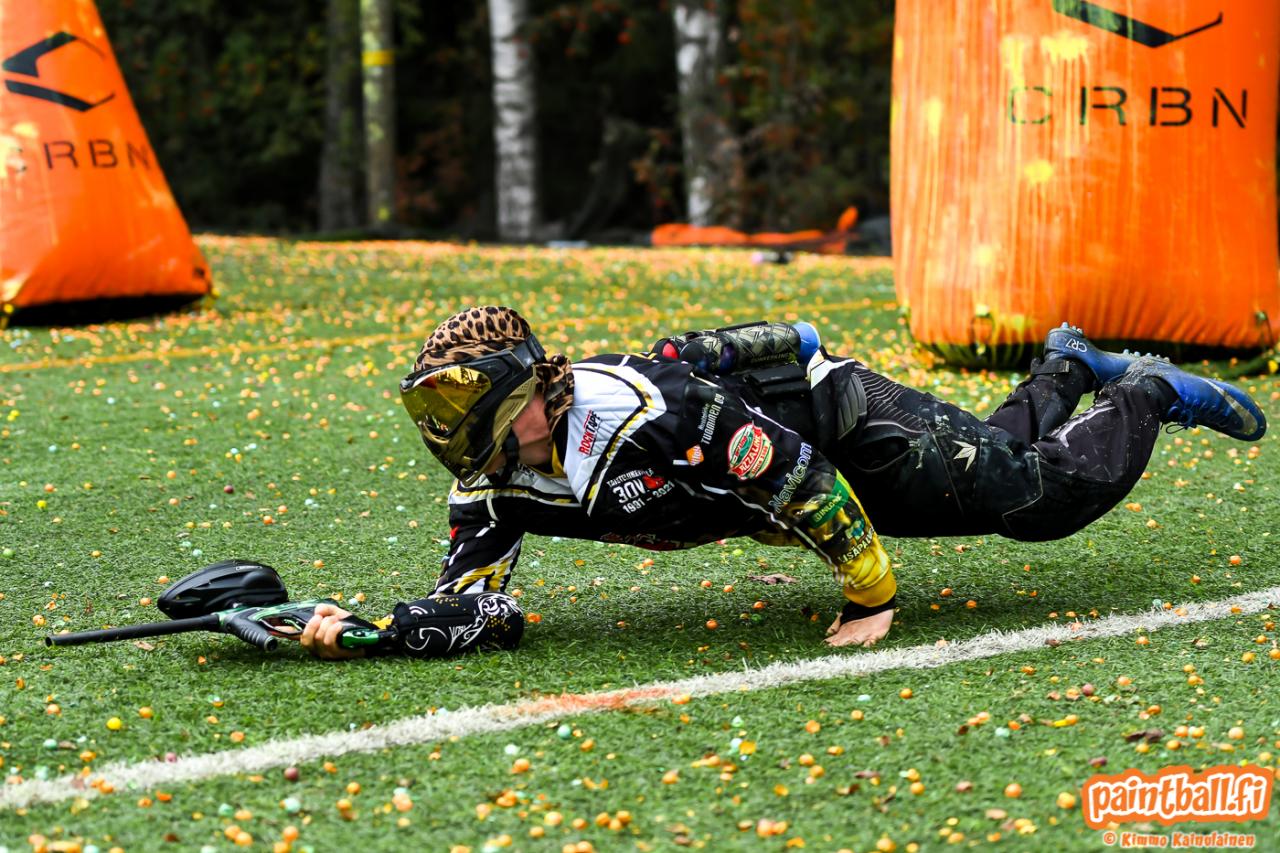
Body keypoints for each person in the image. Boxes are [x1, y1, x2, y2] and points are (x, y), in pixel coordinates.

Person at [300, 307, 1267, 660]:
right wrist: (372, 630)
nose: (458, 435)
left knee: (1034, 505)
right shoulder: (498, 480)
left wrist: (870, 596)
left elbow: (801, 479)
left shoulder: (652, 411)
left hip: (834, 419)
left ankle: (1143, 392)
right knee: (987, 462)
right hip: (802, 473)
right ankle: (1068, 364)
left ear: (533, 393)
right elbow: (479, 608)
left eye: (473, 407)